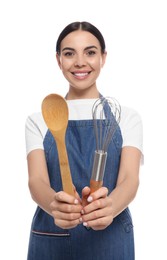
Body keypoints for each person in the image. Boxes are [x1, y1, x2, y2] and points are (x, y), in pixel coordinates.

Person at [25, 21, 143, 260]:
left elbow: (130, 180)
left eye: (90, 52)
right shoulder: (38, 120)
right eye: (69, 53)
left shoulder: (128, 118)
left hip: (111, 239)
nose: (80, 62)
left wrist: (110, 207)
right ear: (58, 59)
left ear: (103, 58)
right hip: (52, 237)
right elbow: (36, 181)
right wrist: (55, 206)